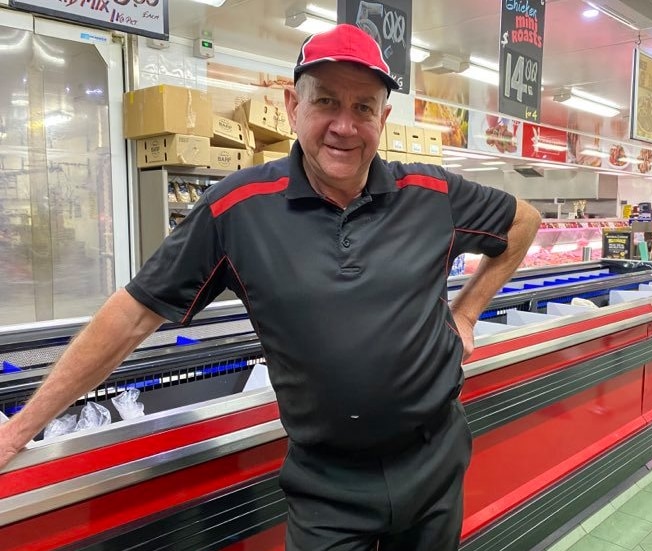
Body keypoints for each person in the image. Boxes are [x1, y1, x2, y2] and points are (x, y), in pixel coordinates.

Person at [0, 24, 540, 551]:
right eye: (326, 102)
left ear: (384, 117)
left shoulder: (430, 194)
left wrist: (466, 313)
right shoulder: (237, 210)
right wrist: (21, 427)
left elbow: (523, 222)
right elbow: (133, 314)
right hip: (327, 484)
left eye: (363, 108)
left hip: (434, 462)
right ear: (292, 106)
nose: (345, 126)